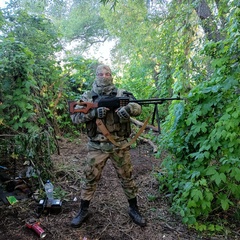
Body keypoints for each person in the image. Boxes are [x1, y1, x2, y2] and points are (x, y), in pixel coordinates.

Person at [70, 64, 146, 228]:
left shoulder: (121, 93)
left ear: (112, 75)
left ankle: (134, 208)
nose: (104, 76)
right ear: (95, 75)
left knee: (127, 177)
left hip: (119, 144)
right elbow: (75, 118)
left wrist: (128, 109)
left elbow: (138, 107)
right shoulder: (88, 96)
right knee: (90, 178)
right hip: (97, 146)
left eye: (107, 74)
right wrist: (93, 113)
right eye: (101, 74)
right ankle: (83, 210)